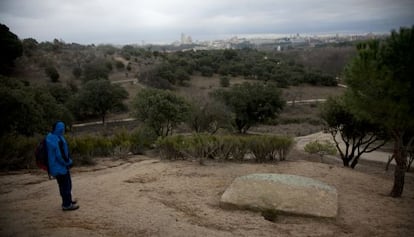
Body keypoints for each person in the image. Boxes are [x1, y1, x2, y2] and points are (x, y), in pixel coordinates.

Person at [46, 121, 79, 211]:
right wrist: (68, 162)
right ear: (59, 128)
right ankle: (67, 205)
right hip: (59, 167)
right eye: (62, 128)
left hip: (59, 167)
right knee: (65, 186)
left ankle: (67, 201)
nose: (64, 129)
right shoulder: (55, 139)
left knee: (66, 184)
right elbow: (59, 155)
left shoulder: (53, 137)